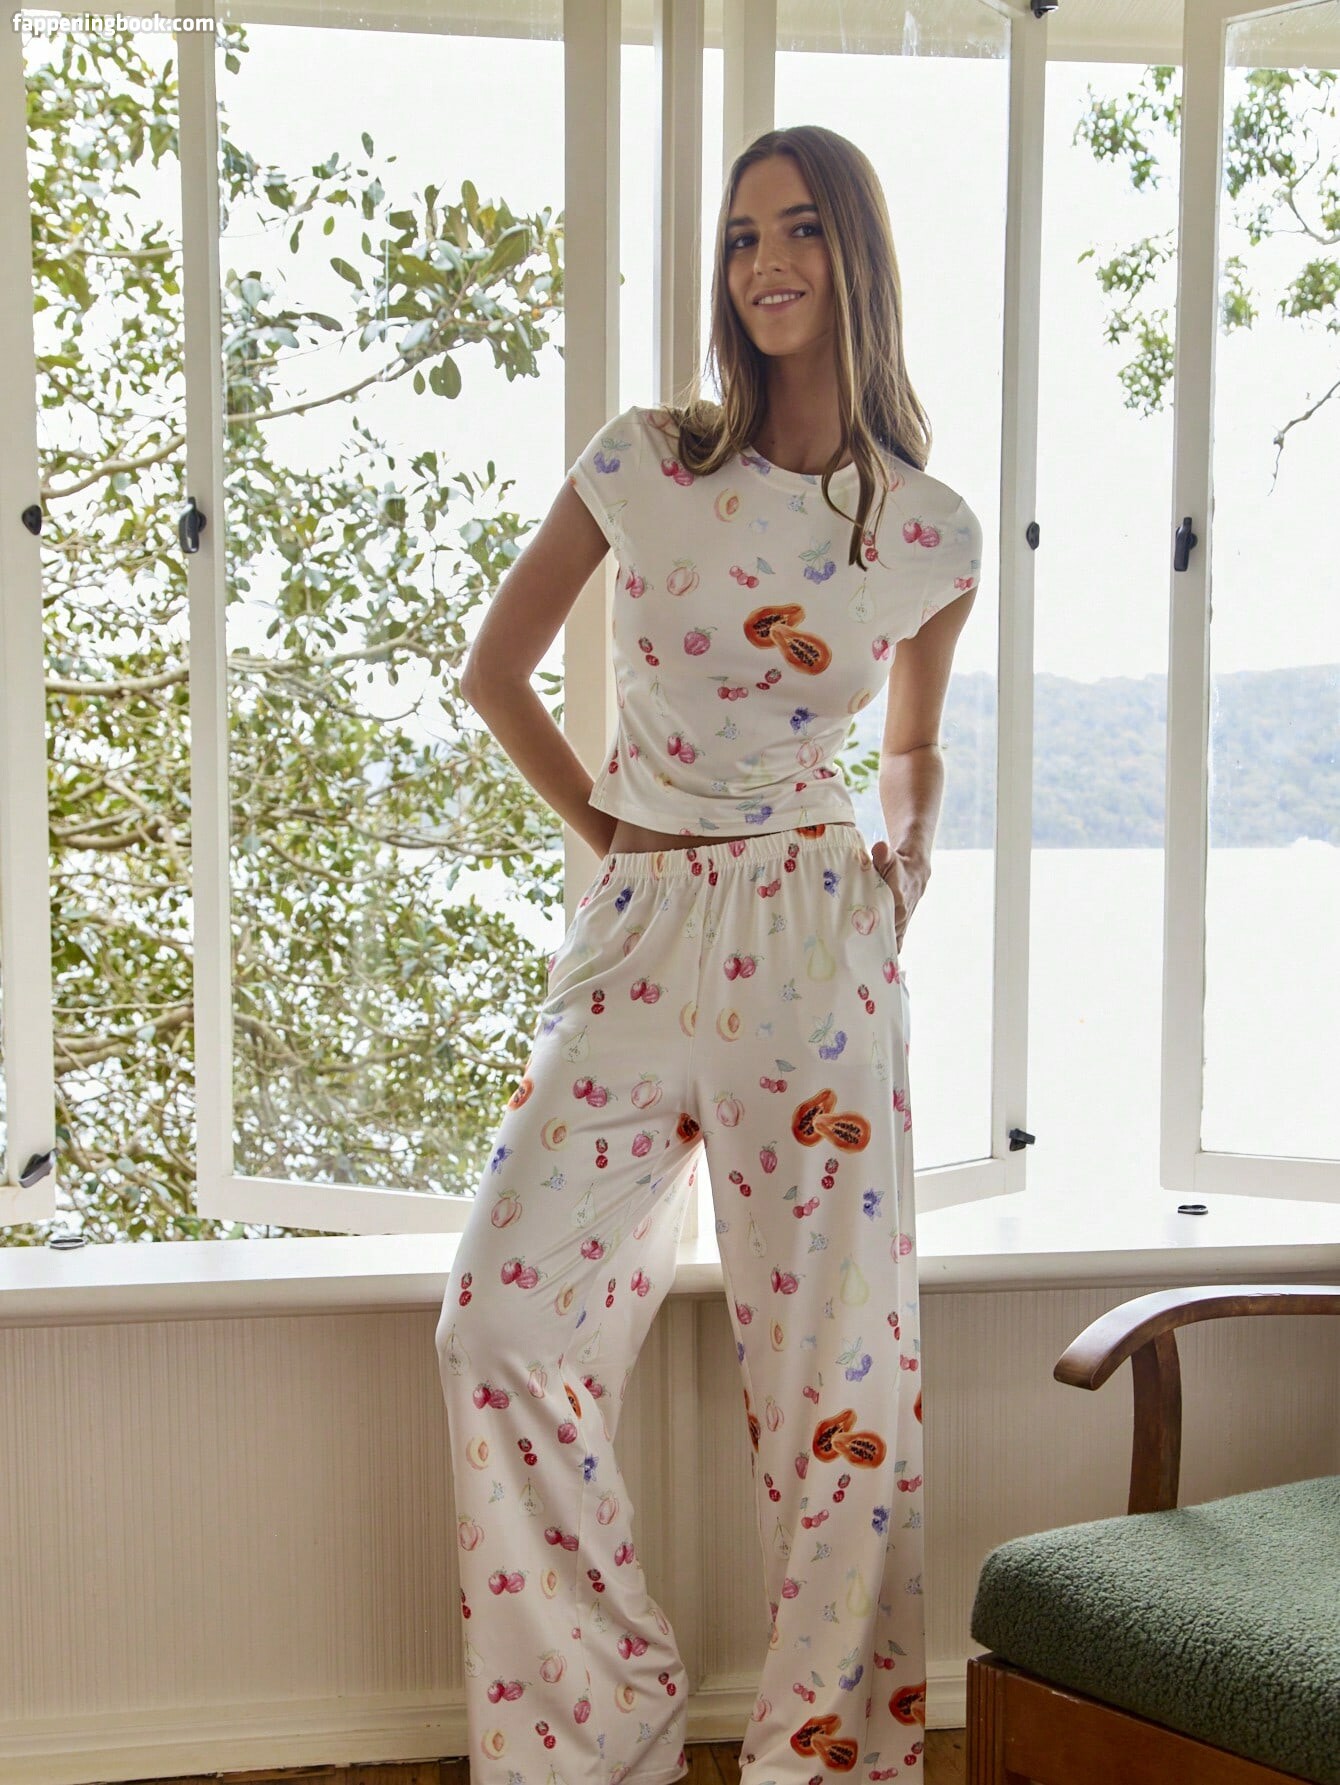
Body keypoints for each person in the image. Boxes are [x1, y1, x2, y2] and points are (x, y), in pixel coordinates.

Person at [436, 123, 983, 1785]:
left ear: (854, 255)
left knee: (836, 1388)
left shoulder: (925, 531)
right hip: (641, 924)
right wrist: (617, 840)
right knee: (496, 1327)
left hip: (817, 941)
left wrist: (908, 858)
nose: (766, 263)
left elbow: (909, 743)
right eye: (742, 235)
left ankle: (816, 1759)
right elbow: (496, 671)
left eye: (799, 229)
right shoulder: (648, 460)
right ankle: (600, 1738)